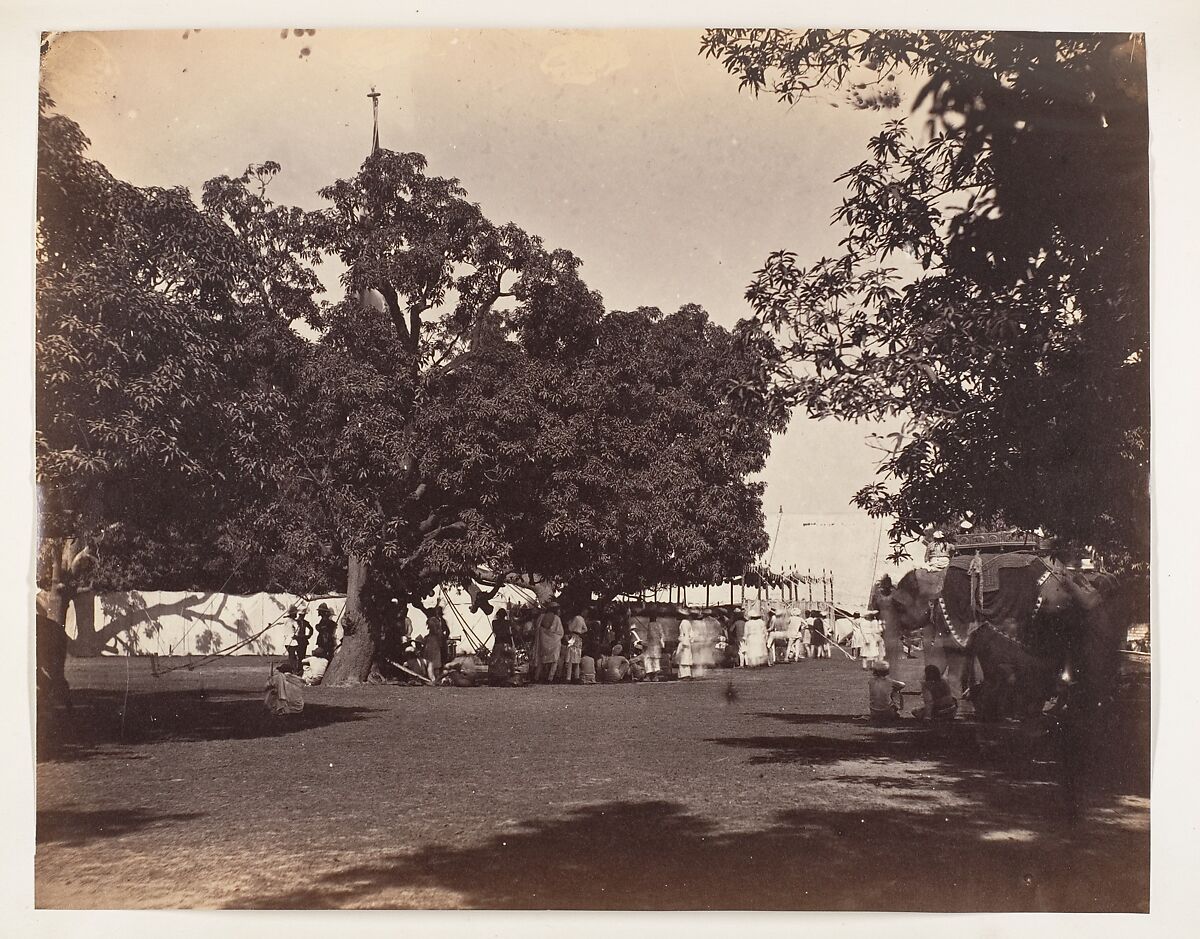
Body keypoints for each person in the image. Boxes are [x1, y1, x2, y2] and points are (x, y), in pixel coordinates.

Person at [532, 602, 564, 683]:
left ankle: (536, 677)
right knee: (555, 660)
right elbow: (560, 632)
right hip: (554, 642)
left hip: (542, 642)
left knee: (541, 660)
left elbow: (537, 629)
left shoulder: (541, 617)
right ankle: (550, 678)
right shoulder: (557, 618)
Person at [286, 607, 313, 672]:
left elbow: (311, 629)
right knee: (294, 656)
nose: (302, 616)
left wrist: (309, 635)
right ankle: (295, 669)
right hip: (297, 641)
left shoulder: (305, 622)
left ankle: (300, 669)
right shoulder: (295, 622)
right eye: (301, 615)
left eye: (303, 615)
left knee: (302, 656)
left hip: (303, 640)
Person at [676, 608, 696, 679]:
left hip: (684, 642)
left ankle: (684, 675)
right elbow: (692, 634)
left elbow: (686, 634)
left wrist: (685, 643)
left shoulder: (684, 623)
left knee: (683, 659)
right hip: (687, 642)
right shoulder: (688, 622)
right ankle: (685, 674)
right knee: (685, 659)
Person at [644, 612, 665, 680]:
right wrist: (662, 644)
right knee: (655, 660)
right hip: (656, 645)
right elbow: (662, 635)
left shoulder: (650, 625)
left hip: (652, 645)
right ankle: (655, 676)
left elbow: (649, 636)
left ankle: (650, 676)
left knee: (649, 659)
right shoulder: (658, 625)